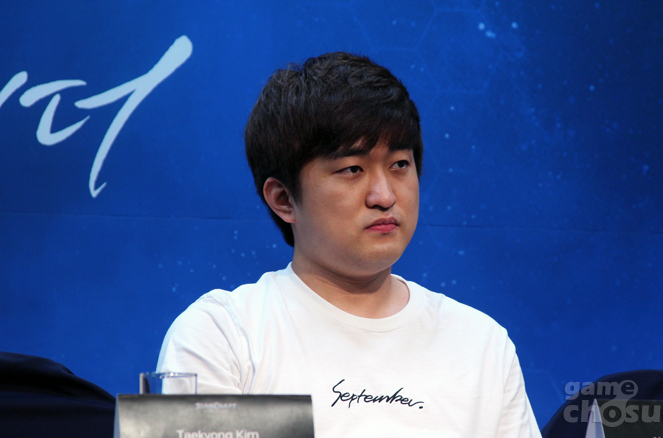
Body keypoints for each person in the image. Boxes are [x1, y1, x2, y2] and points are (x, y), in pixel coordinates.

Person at [157, 52, 541, 437]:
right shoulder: (224, 335)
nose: (385, 196)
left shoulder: (481, 343)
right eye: (352, 169)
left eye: (399, 165)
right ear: (284, 199)